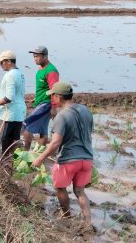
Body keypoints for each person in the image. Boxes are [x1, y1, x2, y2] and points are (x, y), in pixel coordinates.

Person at [32, 82, 94, 230]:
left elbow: (55, 143)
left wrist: (40, 159)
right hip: (87, 159)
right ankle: (88, 223)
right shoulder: (85, 110)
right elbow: (89, 133)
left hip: (68, 160)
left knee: (60, 187)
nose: (52, 99)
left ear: (59, 97)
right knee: (80, 191)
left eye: (53, 95)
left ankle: (66, 216)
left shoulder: (62, 116)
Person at [0, 50, 26, 170]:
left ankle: (4, 164)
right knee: (15, 139)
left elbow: (9, 97)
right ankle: (14, 164)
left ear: (8, 62)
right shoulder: (20, 73)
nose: (0, 65)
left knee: (5, 140)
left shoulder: (10, 75)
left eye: (2, 62)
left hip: (10, 113)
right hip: (19, 113)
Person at [23, 45, 59, 150]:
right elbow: (44, 88)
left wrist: (53, 106)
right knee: (43, 131)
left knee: (27, 125)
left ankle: (26, 152)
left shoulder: (51, 71)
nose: (35, 59)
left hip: (46, 104)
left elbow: (54, 89)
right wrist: (37, 98)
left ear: (45, 56)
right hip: (41, 102)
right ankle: (39, 154)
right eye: (34, 56)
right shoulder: (40, 69)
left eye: (37, 56)